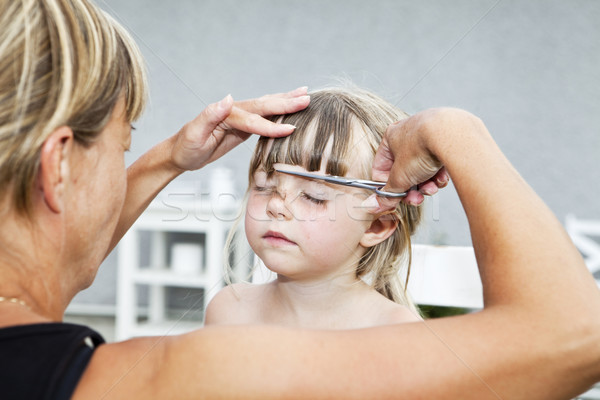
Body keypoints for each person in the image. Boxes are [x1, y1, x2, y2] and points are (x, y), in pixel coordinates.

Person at [1, 1, 599, 399]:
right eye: (124, 146)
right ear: (56, 165)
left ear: (380, 220)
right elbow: (576, 330)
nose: (280, 205)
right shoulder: (215, 345)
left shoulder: (389, 327)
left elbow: (53, 268)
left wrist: (163, 158)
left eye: (314, 194)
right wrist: (455, 129)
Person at [205, 87, 423, 329]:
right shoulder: (229, 311)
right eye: (264, 186)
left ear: (375, 226)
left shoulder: (395, 332)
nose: (276, 204)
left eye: (314, 196)